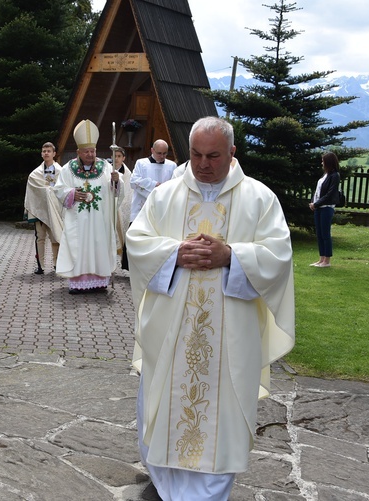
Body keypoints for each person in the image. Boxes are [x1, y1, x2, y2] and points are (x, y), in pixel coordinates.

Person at [126, 116, 295, 500]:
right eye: (197, 154)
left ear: (232, 153)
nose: (203, 164)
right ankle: (167, 488)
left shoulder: (259, 198)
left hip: (229, 338)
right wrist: (174, 252)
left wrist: (232, 255)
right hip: (172, 330)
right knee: (164, 407)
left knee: (221, 421)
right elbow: (137, 243)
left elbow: (279, 257)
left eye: (214, 156)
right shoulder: (165, 195)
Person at [53, 119, 123, 294]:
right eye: (86, 152)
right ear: (78, 152)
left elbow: (116, 191)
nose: (90, 155)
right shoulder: (68, 169)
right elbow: (59, 189)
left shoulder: (106, 167)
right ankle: (78, 283)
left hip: (100, 220)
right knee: (79, 247)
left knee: (99, 245)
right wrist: (72, 194)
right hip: (78, 221)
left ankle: (100, 282)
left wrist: (116, 181)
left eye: (93, 151)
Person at [24, 142, 64, 274]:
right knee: (40, 238)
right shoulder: (34, 174)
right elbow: (33, 192)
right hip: (40, 211)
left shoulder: (62, 172)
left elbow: (63, 190)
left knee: (55, 238)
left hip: (55, 211)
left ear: (54, 154)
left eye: (48, 151)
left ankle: (57, 264)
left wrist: (49, 191)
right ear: (41, 154)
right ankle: (40, 266)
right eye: (44, 151)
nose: (46, 153)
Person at [129, 139, 177, 223]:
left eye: (165, 153)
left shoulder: (172, 165)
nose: (162, 156)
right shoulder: (141, 163)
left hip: (162, 207)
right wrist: (153, 185)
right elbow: (133, 181)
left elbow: (175, 185)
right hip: (142, 207)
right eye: (159, 153)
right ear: (152, 150)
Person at [309, 151, 341, 267]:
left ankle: (327, 260)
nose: (321, 163)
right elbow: (318, 191)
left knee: (325, 233)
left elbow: (329, 194)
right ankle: (321, 258)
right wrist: (313, 202)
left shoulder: (335, 176)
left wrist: (316, 204)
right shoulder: (325, 175)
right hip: (318, 207)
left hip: (326, 208)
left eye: (323, 161)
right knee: (320, 234)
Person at [112, 147, 133, 269]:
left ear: (123, 158)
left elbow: (129, 192)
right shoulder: (106, 170)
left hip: (122, 207)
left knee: (122, 234)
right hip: (110, 208)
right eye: (114, 155)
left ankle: (122, 260)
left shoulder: (128, 174)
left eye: (119, 156)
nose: (116, 158)